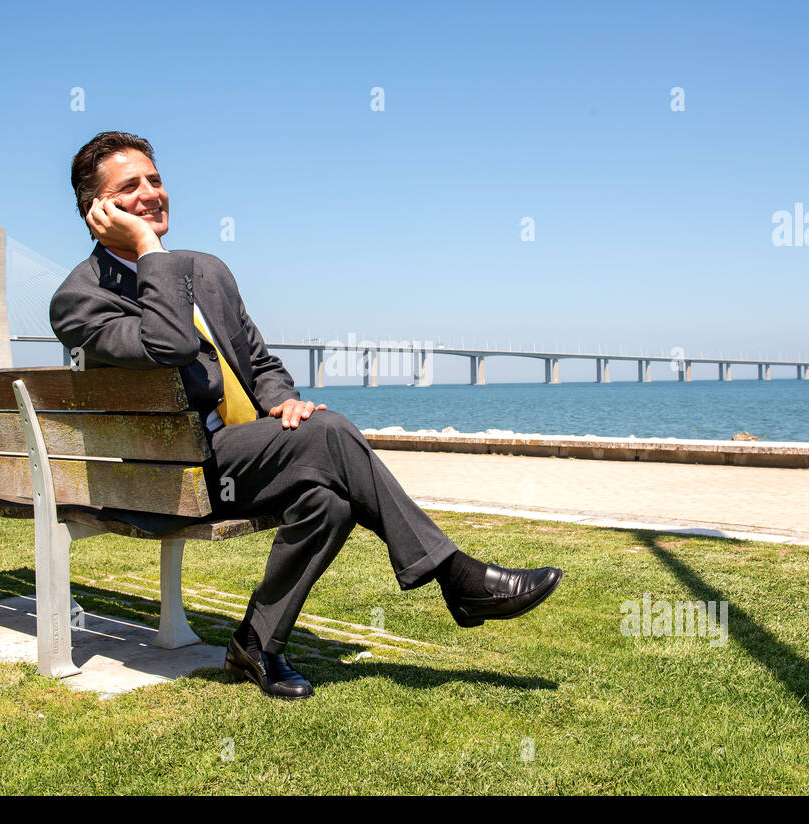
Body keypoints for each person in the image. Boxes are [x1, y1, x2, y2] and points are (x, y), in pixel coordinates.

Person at [50, 131, 562, 699]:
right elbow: (168, 344)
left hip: (243, 455)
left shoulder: (208, 271)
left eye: (156, 179)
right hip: (172, 477)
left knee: (330, 494)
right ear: (98, 210)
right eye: (131, 187)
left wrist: (281, 400)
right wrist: (148, 248)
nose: (153, 193)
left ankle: (257, 645)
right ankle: (458, 577)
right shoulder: (80, 299)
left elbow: (259, 359)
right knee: (331, 432)